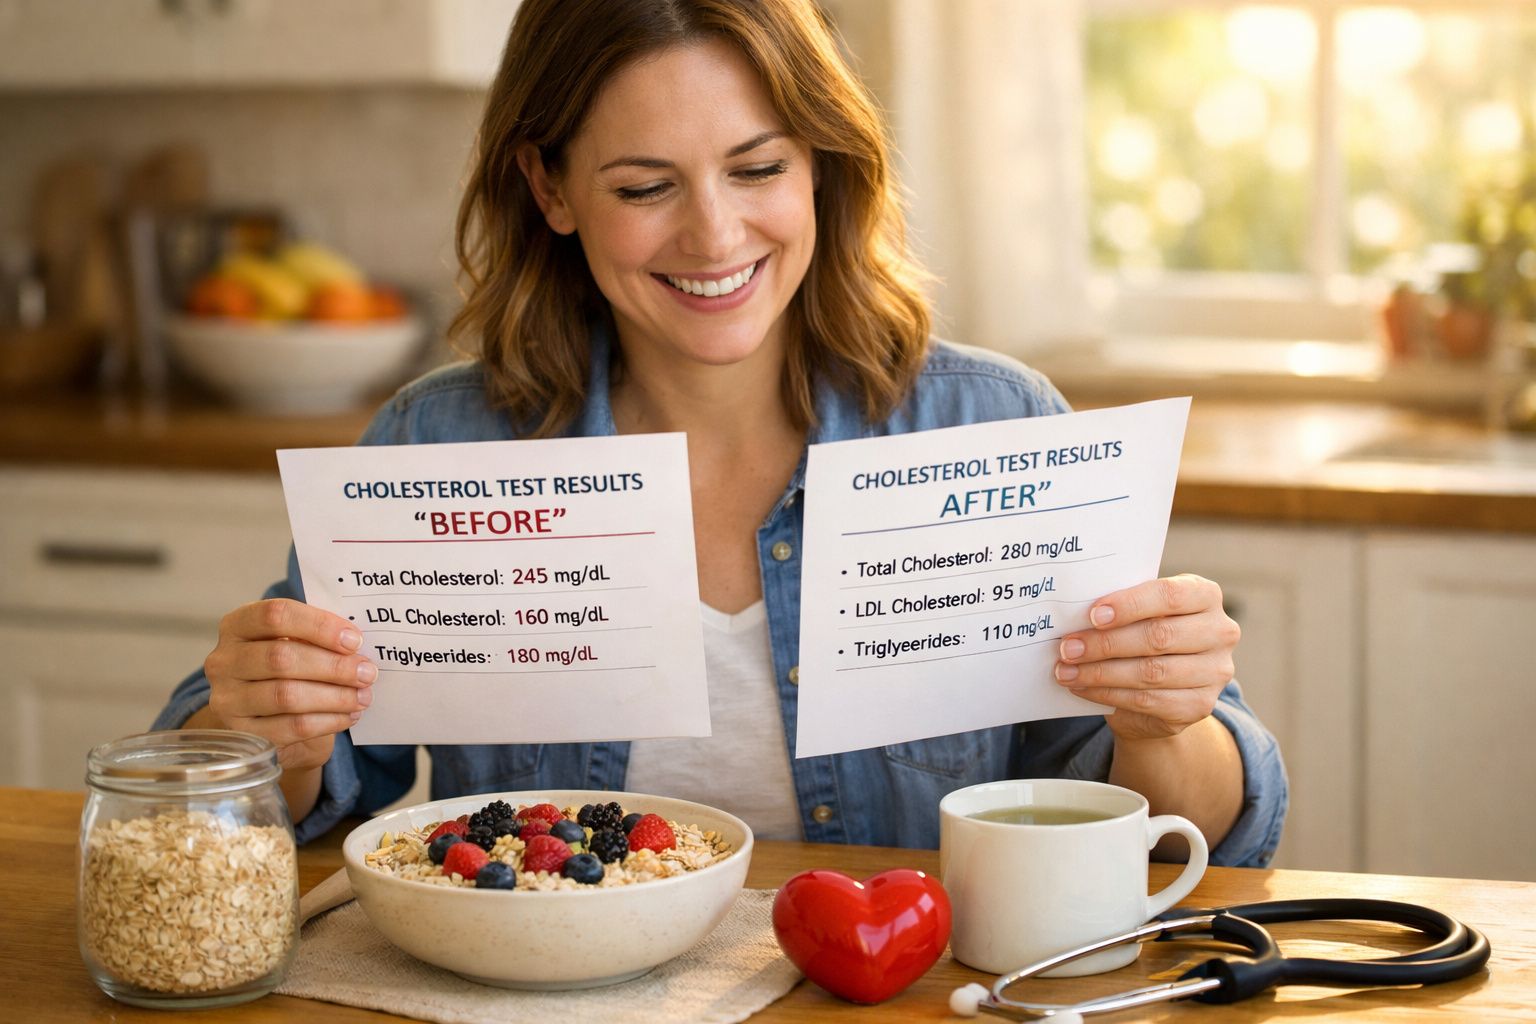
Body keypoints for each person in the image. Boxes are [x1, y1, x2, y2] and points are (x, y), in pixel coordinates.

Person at [156, 0, 1286, 865]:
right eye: (646, 186)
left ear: (822, 166)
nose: (714, 235)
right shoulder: (439, 444)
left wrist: (1165, 719)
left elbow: (1192, 838)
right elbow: (267, 810)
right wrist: (264, 733)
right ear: (548, 187)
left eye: (758, 168)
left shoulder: (989, 425)